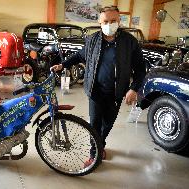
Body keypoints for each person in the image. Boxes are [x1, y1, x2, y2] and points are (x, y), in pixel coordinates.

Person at [51, 6, 146, 162]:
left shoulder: (130, 42)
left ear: (119, 21)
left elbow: (140, 69)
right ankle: (94, 154)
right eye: (106, 21)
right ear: (100, 22)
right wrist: (63, 65)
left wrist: (134, 89)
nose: (109, 24)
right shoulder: (92, 40)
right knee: (94, 123)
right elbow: (79, 56)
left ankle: (100, 145)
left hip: (116, 92)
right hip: (95, 90)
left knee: (107, 124)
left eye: (113, 21)